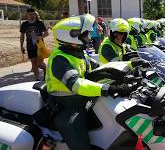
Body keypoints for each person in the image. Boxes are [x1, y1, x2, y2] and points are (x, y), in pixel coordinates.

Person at [45, 14, 135, 150]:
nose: (89, 38)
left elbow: (102, 67)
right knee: (75, 128)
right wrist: (108, 89)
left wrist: (132, 64)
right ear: (71, 36)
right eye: (85, 35)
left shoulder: (79, 53)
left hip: (82, 98)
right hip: (67, 104)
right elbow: (77, 84)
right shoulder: (60, 59)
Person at [20, 8, 49, 81]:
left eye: (33, 14)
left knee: (40, 63)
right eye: (30, 14)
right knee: (34, 65)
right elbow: (22, 36)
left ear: (35, 15)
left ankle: (46, 71)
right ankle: (37, 79)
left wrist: (40, 36)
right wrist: (21, 46)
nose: (32, 16)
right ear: (27, 15)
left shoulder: (39, 23)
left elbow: (47, 33)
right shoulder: (24, 24)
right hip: (30, 47)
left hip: (40, 47)